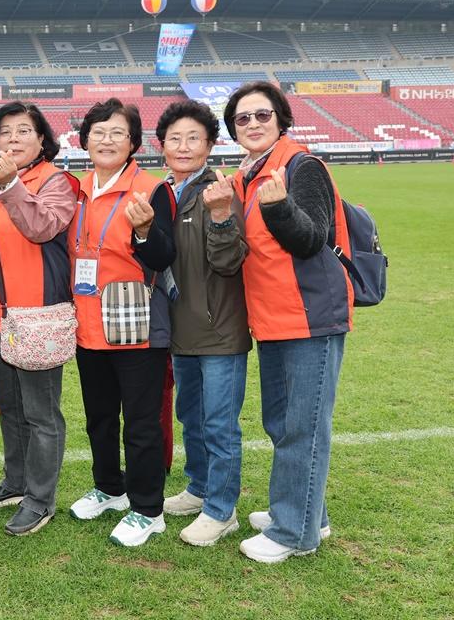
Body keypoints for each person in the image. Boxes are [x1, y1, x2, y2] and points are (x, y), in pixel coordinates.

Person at [223, 81, 351, 563]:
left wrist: (278, 209)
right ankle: (307, 512)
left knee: (303, 425)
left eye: (261, 115)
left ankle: (294, 532)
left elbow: (311, 238)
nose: (252, 124)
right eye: (242, 118)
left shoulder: (302, 166)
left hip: (309, 317)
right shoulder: (250, 173)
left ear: (280, 119)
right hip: (273, 319)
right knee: (282, 420)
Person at [66, 98, 177, 548]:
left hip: (135, 322)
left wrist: (147, 231)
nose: (106, 139)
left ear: (132, 142)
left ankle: (149, 509)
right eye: (98, 131)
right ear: (84, 140)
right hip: (87, 323)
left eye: (117, 132)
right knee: (99, 417)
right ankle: (110, 487)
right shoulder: (76, 189)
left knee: (141, 422)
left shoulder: (150, 190)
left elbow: (166, 257)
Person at [0, 101, 77, 536]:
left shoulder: (55, 181)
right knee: (10, 406)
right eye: (5, 132)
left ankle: (40, 499)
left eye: (23, 131)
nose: (13, 139)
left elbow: (40, 226)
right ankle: (16, 481)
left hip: (37, 317)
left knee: (41, 413)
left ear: (41, 139)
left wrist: (11, 183)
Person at [154, 100, 252, 547]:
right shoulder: (164, 193)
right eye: (175, 138)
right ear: (162, 147)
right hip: (180, 329)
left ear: (211, 145)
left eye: (194, 137)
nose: (184, 145)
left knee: (219, 423)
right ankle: (199, 487)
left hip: (219, 330)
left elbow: (230, 262)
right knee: (191, 416)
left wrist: (220, 215)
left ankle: (222, 509)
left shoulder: (219, 190)